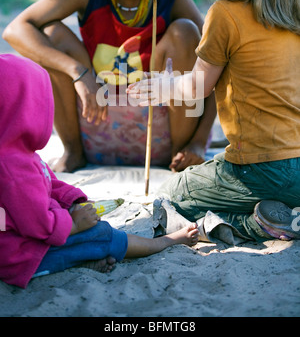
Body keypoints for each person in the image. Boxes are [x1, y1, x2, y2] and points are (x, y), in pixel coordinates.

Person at [128, 0, 300, 243]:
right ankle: (286, 211)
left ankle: (256, 225)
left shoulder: (226, 13)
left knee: (174, 192)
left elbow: (197, 87)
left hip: (260, 167)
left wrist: (162, 86)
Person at [3, 0, 216, 174]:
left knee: (187, 31)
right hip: (96, 121)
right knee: (51, 33)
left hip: (164, 137)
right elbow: (16, 29)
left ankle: (182, 155)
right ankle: (73, 152)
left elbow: (215, 65)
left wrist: (198, 142)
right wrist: (79, 72)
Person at [0, 54, 199, 289]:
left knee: (85, 231)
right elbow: (41, 226)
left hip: (21, 234)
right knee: (101, 234)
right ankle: (162, 243)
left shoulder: (15, 151)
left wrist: (73, 201)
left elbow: (49, 182)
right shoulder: (12, 168)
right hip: (18, 256)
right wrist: (74, 224)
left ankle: (82, 259)